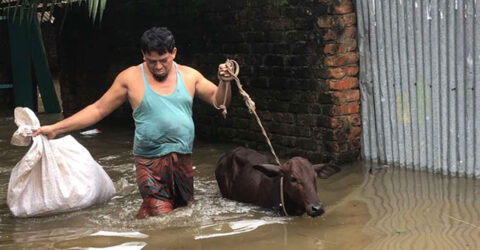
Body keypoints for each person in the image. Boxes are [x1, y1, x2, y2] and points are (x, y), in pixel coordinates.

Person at [33, 27, 232, 218]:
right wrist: (55, 128)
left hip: (182, 158)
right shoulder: (129, 78)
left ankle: (140, 219)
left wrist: (224, 82)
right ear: (143, 55)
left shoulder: (190, 75)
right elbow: (98, 109)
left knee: (184, 212)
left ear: (174, 53)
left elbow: (219, 101)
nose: (158, 66)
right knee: (161, 217)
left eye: (163, 60)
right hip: (149, 161)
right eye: (151, 61)